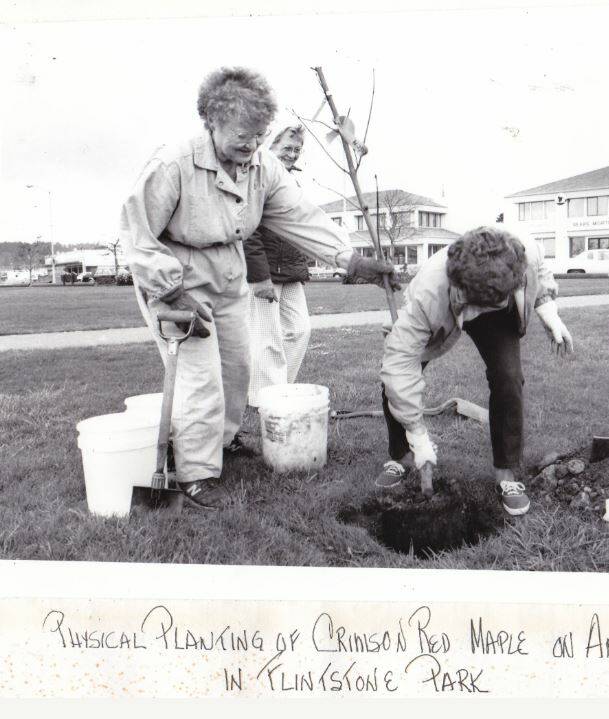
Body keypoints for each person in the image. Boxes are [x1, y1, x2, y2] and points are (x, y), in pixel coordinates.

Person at [120, 66, 398, 511]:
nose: (250, 146)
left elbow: (299, 216)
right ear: (211, 122)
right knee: (200, 376)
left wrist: (351, 260)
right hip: (176, 276)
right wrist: (171, 292)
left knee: (236, 368)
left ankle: (222, 443)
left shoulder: (262, 167)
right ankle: (196, 474)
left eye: (258, 136)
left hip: (229, 274)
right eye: (241, 136)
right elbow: (137, 234)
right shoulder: (173, 163)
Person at [377, 226, 573, 516]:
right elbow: (399, 364)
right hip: (447, 303)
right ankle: (402, 455)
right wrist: (417, 433)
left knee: (509, 378)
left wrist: (548, 310)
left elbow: (539, 271)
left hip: (498, 309)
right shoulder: (427, 294)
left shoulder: (526, 249)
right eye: (470, 309)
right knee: (394, 380)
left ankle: (506, 473)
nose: (470, 317)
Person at [243, 125, 312, 412]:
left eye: (297, 150)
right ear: (271, 147)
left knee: (300, 330)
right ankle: (262, 399)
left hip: (291, 269)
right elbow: (248, 229)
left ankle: (280, 390)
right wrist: (259, 277)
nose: (293, 154)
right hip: (266, 271)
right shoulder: (257, 177)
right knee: (267, 338)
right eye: (287, 148)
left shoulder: (292, 182)